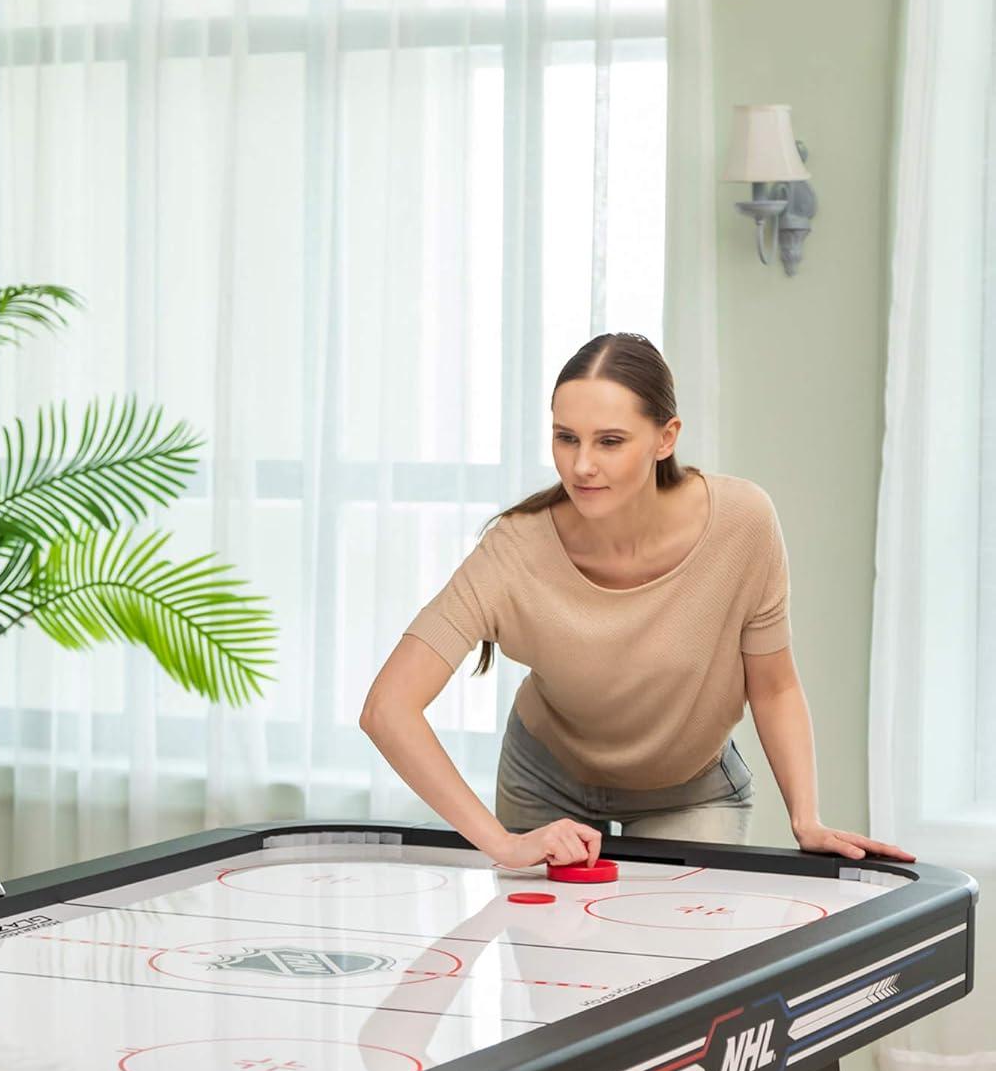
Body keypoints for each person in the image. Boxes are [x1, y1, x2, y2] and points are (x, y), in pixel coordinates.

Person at [361, 331, 911, 872]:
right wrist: (502, 844)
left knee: (686, 961)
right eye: (566, 438)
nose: (581, 466)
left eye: (610, 441)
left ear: (665, 437)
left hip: (689, 791)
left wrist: (806, 818)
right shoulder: (514, 547)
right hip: (544, 779)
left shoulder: (743, 523)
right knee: (552, 958)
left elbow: (774, 685)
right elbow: (387, 709)